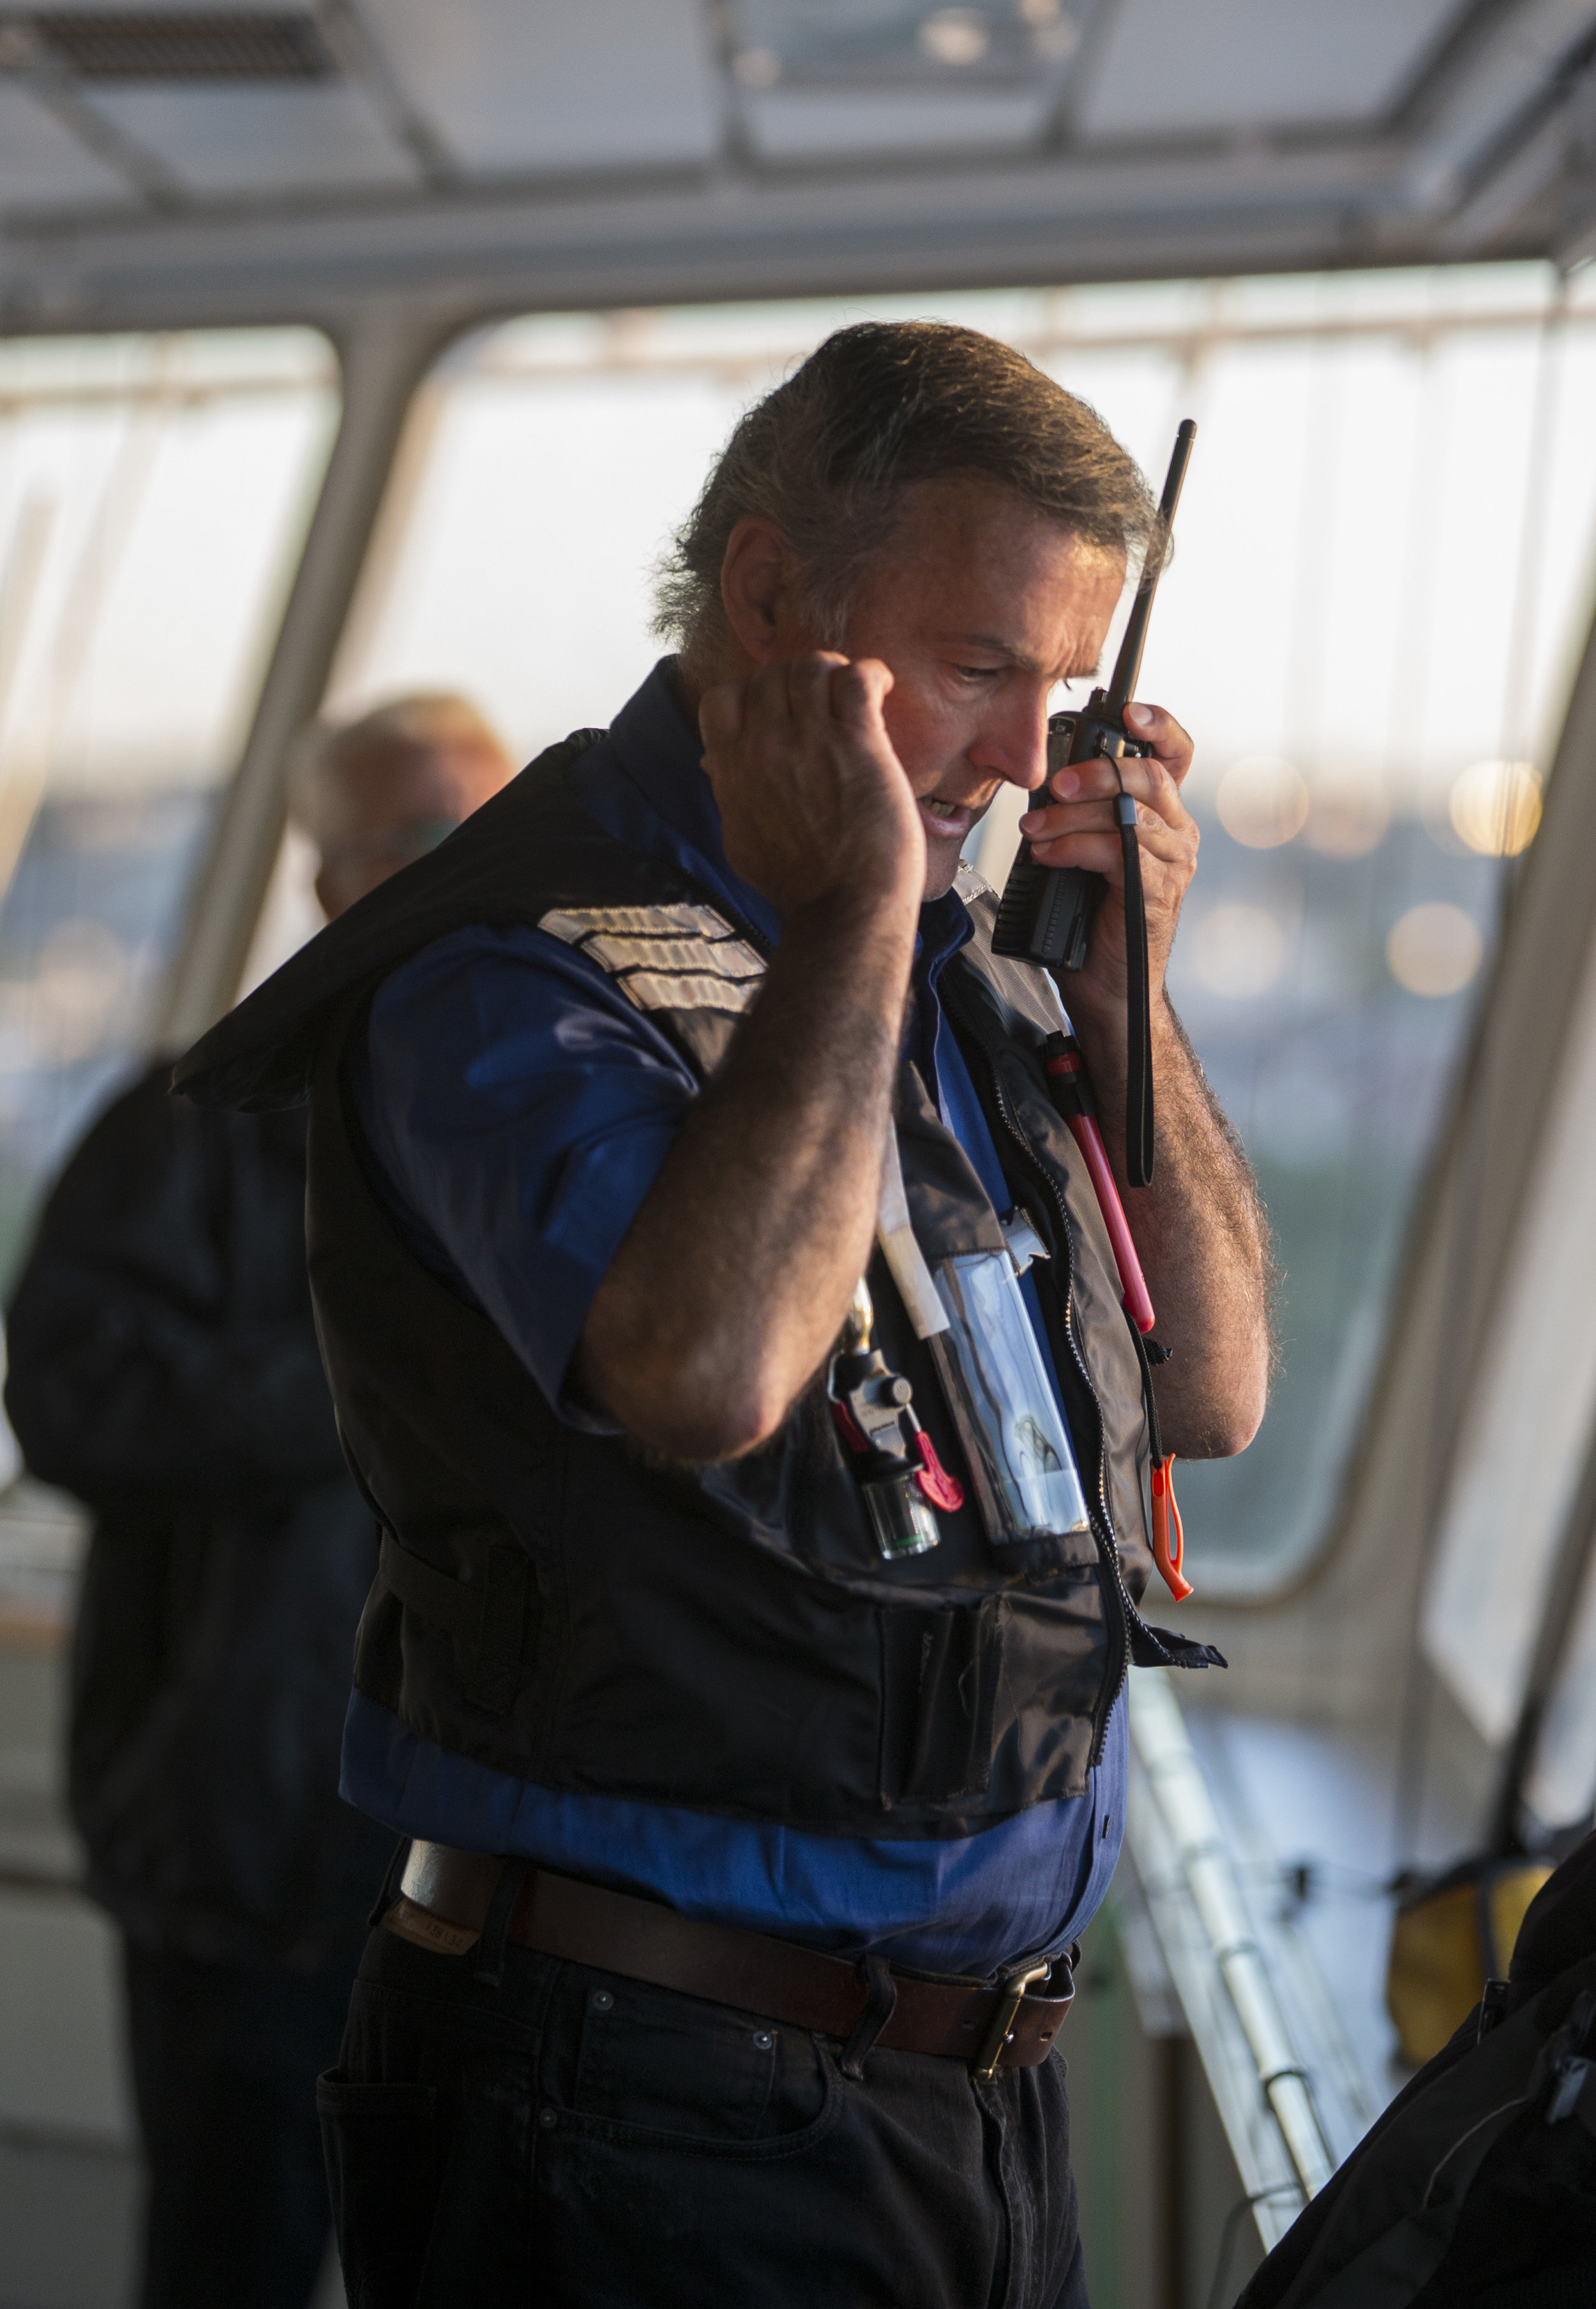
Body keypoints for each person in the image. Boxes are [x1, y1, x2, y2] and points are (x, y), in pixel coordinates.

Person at [176, 323, 1273, 2307]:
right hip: (642, 2099)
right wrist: (854, 919)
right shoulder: (513, 970)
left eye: (1062, 687)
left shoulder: (960, 971)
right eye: (974, 666)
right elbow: (697, 1371)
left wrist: (1124, 995)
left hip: (964, 2097)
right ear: (770, 599)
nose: (1028, 759)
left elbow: (1213, 1387)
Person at [4, 695, 513, 2309]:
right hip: (236, 1857)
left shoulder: (563, 1134)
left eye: (490, 840)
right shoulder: (191, 1119)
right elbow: (71, 1401)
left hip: (497, 1874)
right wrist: (391, 1371)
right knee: (222, 2265)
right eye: (416, 842)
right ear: (321, 888)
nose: (463, 876)